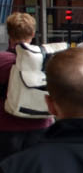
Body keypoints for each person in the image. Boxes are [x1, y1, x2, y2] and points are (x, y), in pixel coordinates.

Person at [0, 12, 54, 159]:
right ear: (33, 33)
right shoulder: (47, 59)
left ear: (9, 33)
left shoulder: (2, 60)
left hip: (6, 126)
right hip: (41, 125)